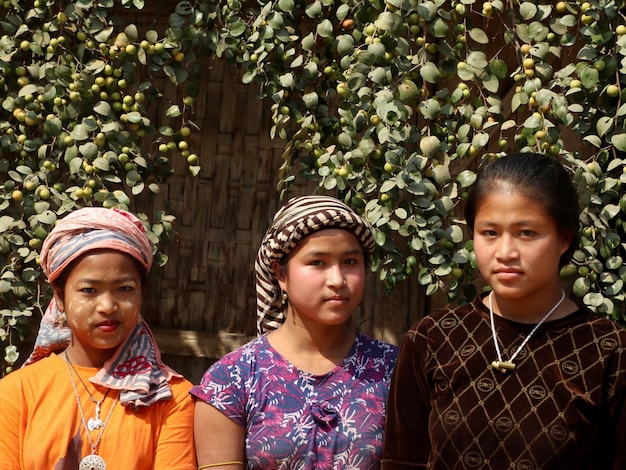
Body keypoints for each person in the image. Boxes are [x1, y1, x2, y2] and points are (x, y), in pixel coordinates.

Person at [381, 152, 626, 469]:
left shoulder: (609, 351)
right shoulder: (433, 338)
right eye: (490, 233)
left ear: (564, 238)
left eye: (527, 233)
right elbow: (401, 463)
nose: (506, 252)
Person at [191, 195, 399, 469]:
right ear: (280, 274)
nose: (337, 280)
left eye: (350, 261)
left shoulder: (395, 370)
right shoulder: (232, 380)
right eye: (318, 263)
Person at [0, 207, 196, 470]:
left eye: (124, 289)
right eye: (89, 290)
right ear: (59, 296)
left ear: (142, 293)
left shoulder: (172, 399)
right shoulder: (16, 393)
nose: (107, 306)